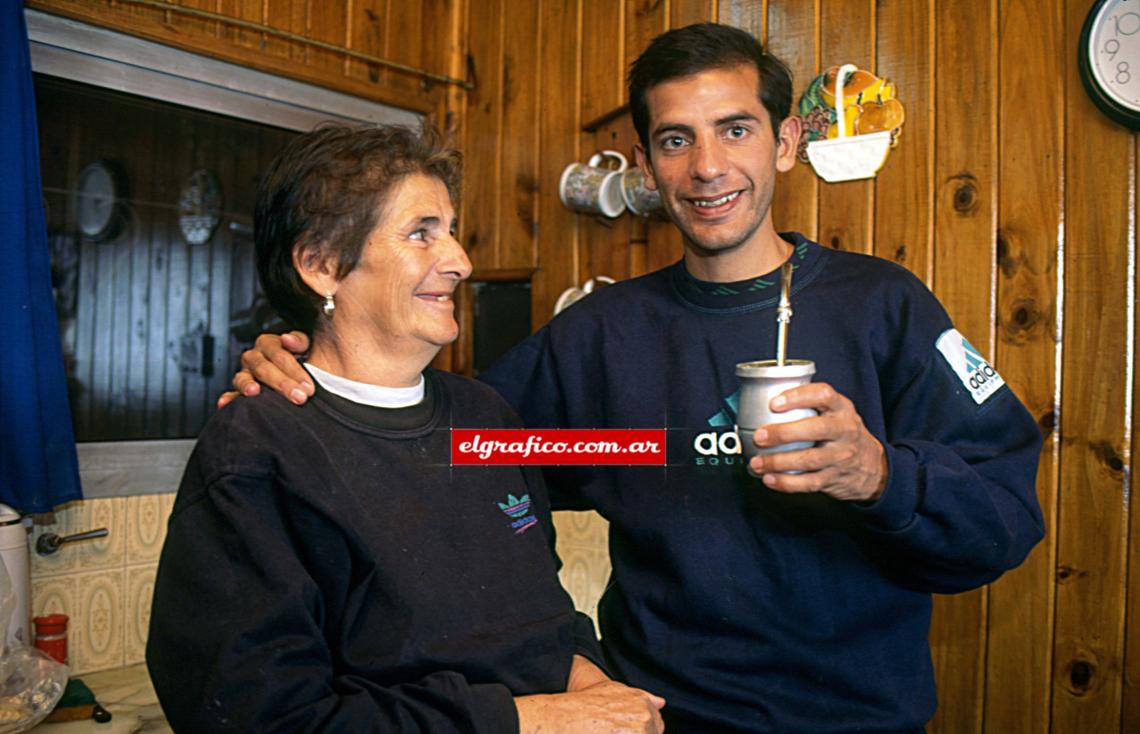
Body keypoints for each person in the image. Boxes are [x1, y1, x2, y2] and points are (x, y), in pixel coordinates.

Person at [224, 25, 1044, 734]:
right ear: (647, 165)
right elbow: (440, 446)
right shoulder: (600, 335)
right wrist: (310, 368)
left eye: (735, 130)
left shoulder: (884, 307)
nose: (708, 167)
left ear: (786, 141)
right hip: (653, 715)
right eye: (676, 140)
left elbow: (1004, 519)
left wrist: (880, 476)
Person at [147, 123, 666, 733]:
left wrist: (600, 693)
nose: (460, 262)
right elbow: (262, 721)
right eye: (421, 233)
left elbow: (537, 615)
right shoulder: (258, 450)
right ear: (320, 265)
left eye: (450, 231)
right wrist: (536, 721)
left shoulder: (485, 416)